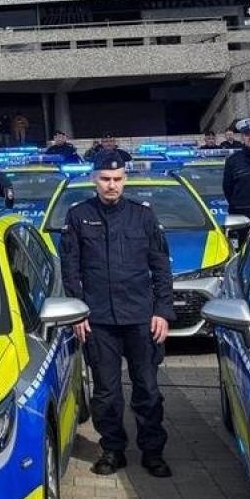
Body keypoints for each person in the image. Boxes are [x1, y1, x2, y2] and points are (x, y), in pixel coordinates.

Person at [59, 153, 174, 478]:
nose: (112, 185)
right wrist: (78, 312)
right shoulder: (79, 216)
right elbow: (71, 270)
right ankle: (112, 450)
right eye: (106, 179)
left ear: (125, 179)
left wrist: (163, 311)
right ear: (94, 180)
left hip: (141, 317)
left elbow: (161, 267)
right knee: (106, 391)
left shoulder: (143, 216)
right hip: (99, 320)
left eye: (118, 179)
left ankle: (153, 451)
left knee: (147, 389)